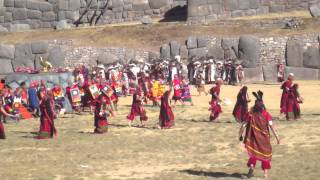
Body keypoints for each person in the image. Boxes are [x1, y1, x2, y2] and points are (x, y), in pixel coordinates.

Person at [239, 90, 280, 179]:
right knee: (265, 155)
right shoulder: (266, 114)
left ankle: (251, 168)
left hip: (253, 138)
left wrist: (240, 135)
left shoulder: (250, 114)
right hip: (264, 140)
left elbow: (244, 125)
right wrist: (277, 137)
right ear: (262, 105)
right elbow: (272, 126)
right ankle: (265, 175)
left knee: (254, 154)